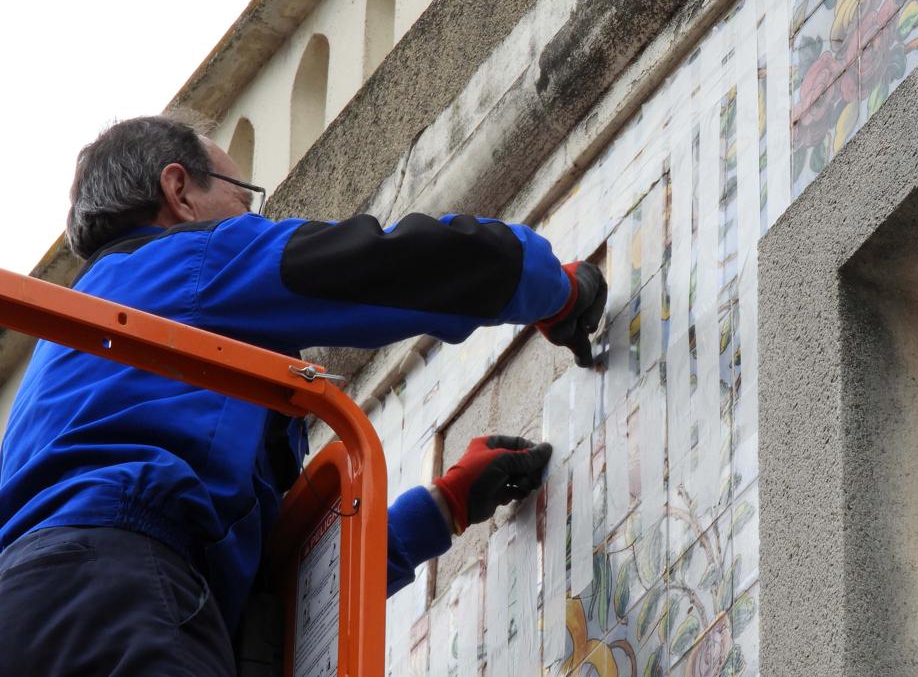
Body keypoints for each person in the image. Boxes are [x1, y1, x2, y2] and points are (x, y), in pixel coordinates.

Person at [0, 116, 606, 675]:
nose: (253, 223)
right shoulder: (186, 262)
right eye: (244, 199)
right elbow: (394, 266)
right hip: (116, 597)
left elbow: (279, 601)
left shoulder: (69, 365)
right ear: (179, 193)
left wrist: (443, 508)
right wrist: (554, 290)